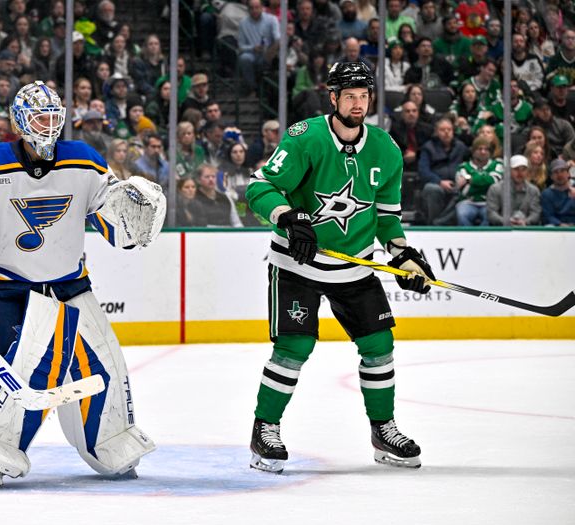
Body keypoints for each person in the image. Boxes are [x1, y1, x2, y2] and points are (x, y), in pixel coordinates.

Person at [0, 81, 157, 487]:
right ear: (19, 121)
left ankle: (110, 440)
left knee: (105, 367)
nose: (48, 125)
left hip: (70, 287)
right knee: (27, 368)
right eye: (39, 116)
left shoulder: (84, 160)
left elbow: (111, 219)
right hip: (7, 291)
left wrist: (133, 214)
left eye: (53, 116)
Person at [245, 61, 432, 473]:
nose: (357, 103)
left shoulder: (385, 148)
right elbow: (259, 187)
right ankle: (265, 429)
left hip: (356, 267)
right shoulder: (305, 138)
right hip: (300, 263)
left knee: (379, 345)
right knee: (295, 347)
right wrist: (289, 218)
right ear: (333, 98)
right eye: (349, 95)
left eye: (364, 96)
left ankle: (383, 430)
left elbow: (386, 218)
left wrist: (403, 253)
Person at [454, 137, 504, 226]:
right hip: (468, 202)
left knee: (490, 217)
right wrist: (485, 183)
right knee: (462, 214)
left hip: (489, 203)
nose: (483, 152)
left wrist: (469, 179)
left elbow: (494, 181)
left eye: (486, 149)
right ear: (473, 151)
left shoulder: (497, 165)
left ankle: (484, 239)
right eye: (479, 149)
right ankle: (467, 238)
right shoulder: (463, 167)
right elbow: (464, 191)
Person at [486, 155, 541, 226]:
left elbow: (536, 213)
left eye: (523, 169)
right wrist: (505, 221)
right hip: (501, 230)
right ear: (508, 170)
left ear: (527, 171)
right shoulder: (495, 189)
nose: (520, 173)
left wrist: (526, 222)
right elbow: (491, 213)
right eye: (516, 169)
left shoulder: (534, 190)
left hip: (526, 230)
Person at [192, 163, 242, 227]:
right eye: (207, 177)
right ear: (198, 180)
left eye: (213, 176)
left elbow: (236, 223)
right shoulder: (194, 198)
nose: (211, 179)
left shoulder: (226, 198)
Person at [541, 159, 575, 226]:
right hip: (556, 227)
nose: (560, 175)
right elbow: (548, 216)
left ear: (568, 174)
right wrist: (560, 224)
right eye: (556, 172)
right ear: (551, 176)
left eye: (562, 171)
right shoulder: (546, 194)